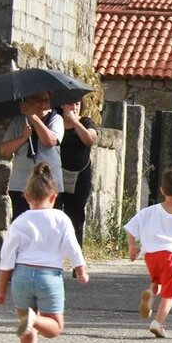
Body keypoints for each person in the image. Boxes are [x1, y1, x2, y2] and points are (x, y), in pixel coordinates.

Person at [0, 162, 89, 343]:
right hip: (49, 277)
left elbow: (7, 259)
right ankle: (34, 320)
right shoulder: (61, 219)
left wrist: (1, 290)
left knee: (27, 326)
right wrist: (81, 270)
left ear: (26, 197)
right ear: (54, 197)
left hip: (22, 276)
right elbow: (72, 247)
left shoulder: (19, 222)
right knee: (55, 327)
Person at [124, 167, 172, 338]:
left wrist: (132, 246)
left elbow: (130, 228)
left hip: (151, 256)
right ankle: (159, 322)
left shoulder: (149, 211)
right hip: (171, 257)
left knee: (157, 281)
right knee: (170, 294)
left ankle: (150, 294)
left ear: (162, 190)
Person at [0, 92, 65, 221]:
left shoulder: (56, 119)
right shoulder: (19, 121)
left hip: (49, 186)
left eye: (46, 101)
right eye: (38, 100)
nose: (43, 104)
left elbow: (50, 141)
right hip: (21, 186)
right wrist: (23, 138)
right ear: (28, 101)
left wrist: (33, 117)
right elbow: (4, 150)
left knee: (49, 227)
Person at [58, 100, 98, 246]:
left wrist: (75, 121)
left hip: (80, 177)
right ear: (62, 104)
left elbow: (90, 139)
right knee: (55, 214)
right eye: (70, 103)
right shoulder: (55, 121)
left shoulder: (86, 122)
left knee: (76, 217)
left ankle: (77, 260)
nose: (74, 107)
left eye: (77, 104)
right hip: (57, 175)